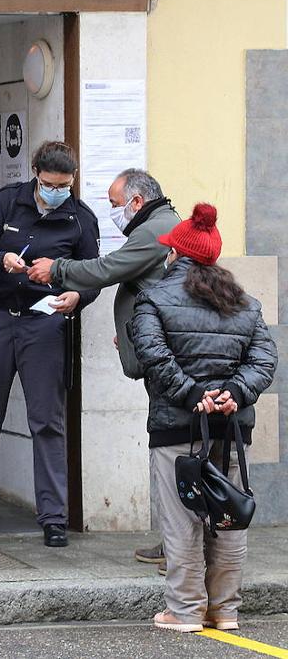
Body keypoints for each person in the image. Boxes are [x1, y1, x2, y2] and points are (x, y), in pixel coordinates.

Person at [127, 203, 277, 632]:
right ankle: (225, 610)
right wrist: (233, 393)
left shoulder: (153, 298)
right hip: (231, 428)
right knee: (228, 517)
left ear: (174, 254)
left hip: (177, 427)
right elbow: (264, 360)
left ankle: (186, 610)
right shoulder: (246, 304)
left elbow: (153, 356)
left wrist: (194, 394)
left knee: (182, 521)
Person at [26, 168, 180, 569]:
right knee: (173, 450)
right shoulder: (161, 223)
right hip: (161, 350)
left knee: (171, 452)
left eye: (115, 204)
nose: (112, 212)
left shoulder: (155, 230)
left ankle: (180, 549)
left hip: (168, 359)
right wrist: (131, 333)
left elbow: (108, 269)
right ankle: (176, 543)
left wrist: (57, 269)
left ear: (137, 202)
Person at [0, 141, 100, 548]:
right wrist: (2, 261)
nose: (56, 192)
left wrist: (77, 296)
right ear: (35, 172)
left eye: (64, 185)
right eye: (50, 184)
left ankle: (54, 518)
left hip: (45, 324)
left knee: (47, 422)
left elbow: (92, 276)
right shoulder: (6, 201)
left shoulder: (81, 218)